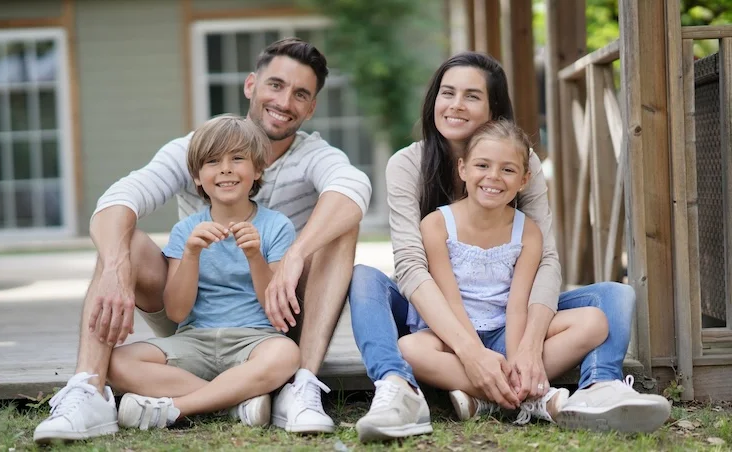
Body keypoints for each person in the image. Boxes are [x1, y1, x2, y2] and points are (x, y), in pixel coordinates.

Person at [33, 38, 371, 443]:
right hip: (192, 317)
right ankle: (89, 389)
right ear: (251, 85)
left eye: (301, 94)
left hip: (272, 320)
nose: (285, 101)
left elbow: (353, 188)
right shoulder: (199, 149)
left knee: (341, 227)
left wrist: (295, 253)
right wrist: (115, 268)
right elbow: (120, 198)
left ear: (311, 106)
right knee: (122, 239)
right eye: (276, 85)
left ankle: (300, 385)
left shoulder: (312, 157)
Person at [348, 52, 671, 443]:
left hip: (504, 317)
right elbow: (414, 269)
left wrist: (529, 347)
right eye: (447, 93)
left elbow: (544, 261)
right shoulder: (408, 166)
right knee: (364, 279)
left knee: (613, 298)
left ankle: (599, 386)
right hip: (434, 315)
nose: (455, 105)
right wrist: (472, 353)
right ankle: (398, 387)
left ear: (494, 109)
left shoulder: (523, 163)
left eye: (472, 96)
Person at [398, 119, 608, 427]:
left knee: (594, 322)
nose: (493, 177)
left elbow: (517, 305)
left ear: (524, 180)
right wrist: (477, 359)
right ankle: (527, 396)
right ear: (463, 169)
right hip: (455, 338)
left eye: (508, 170)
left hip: (505, 331)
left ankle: (491, 395)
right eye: (482, 165)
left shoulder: (528, 232)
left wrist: (517, 358)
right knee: (409, 348)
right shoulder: (436, 224)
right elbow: (451, 301)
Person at [102, 114, 298, 430]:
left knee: (287, 355)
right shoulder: (185, 231)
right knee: (116, 362)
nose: (225, 169)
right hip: (195, 341)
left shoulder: (277, 226)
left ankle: (177, 407)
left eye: (238, 158)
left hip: (255, 341)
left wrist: (254, 257)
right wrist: (191, 254)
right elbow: (177, 312)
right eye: (212, 162)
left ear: (258, 169)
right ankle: (236, 400)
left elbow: (275, 309)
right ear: (196, 176)